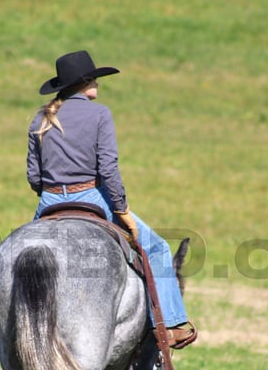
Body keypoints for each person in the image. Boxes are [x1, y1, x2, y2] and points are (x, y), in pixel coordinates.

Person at [26, 50, 196, 349]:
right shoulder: (99, 114)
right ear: (83, 83)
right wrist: (122, 209)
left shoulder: (40, 118)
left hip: (48, 201)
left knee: (23, 258)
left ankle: (7, 334)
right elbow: (108, 169)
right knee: (157, 247)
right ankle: (173, 325)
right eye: (93, 79)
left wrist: (55, 193)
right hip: (92, 195)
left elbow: (34, 178)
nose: (97, 84)